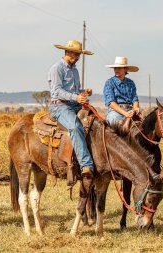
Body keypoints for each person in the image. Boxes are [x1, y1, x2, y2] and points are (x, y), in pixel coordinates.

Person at [48, 40, 95, 185]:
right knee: (75, 127)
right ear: (67, 52)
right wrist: (76, 97)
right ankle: (86, 164)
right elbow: (57, 91)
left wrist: (82, 93)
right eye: (76, 53)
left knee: (95, 122)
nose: (78, 56)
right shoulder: (57, 68)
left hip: (73, 104)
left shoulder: (74, 70)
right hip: (59, 106)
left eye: (79, 54)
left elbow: (74, 92)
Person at [103, 56, 140, 124]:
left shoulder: (131, 83)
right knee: (115, 127)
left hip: (130, 110)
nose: (116, 70)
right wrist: (125, 113)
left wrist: (136, 107)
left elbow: (134, 98)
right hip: (115, 112)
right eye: (115, 68)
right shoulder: (109, 82)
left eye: (119, 68)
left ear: (126, 69)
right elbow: (111, 102)